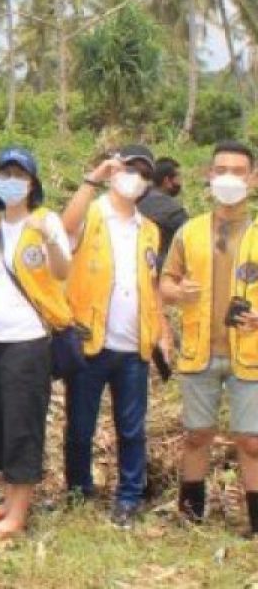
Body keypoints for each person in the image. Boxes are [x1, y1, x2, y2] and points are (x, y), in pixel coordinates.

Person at [61, 145, 169, 527]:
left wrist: (162, 335)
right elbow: (64, 228)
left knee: (132, 427)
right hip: (90, 341)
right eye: (129, 168)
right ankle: (78, 489)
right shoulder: (92, 213)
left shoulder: (150, 230)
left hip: (133, 345)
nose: (135, 177)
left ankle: (129, 495)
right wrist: (94, 176)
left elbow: (152, 287)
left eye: (143, 173)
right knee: (80, 425)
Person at [0, 147, 73, 541]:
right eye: (4, 174)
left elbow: (63, 271)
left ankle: (18, 515)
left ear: (33, 184)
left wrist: (50, 242)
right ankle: (8, 500)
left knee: (22, 423)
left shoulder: (44, 222)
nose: (11, 182)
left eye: (20, 175)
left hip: (27, 342)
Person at [159, 140, 258, 536]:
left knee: (251, 440)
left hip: (249, 354)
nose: (230, 178)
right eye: (222, 171)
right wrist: (177, 293)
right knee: (197, 434)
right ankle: (190, 514)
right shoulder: (190, 231)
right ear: (209, 176)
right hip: (199, 352)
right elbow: (165, 283)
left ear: (252, 179)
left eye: (239, 171)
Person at [137, 156, 188, 264]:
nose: (180, 182)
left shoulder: (136, 201)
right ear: (167, 181)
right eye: (178, 178)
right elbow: (190, 241)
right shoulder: (174, 212)